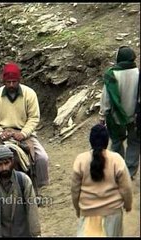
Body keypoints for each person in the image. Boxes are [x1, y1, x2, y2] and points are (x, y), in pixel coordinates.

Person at [0, 62, 49, 191]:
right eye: (8, 82)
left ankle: (39, 187)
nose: (11, 85)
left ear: (19, 80)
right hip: (1, 133)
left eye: (14, 82)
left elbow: (34, 117)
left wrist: (23, 133)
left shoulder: (29, 94)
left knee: (42, 157)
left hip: (24, 133)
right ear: (3, 81)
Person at [71, 124, 133, 237]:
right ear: (107, 141)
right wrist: (128, 205)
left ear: (91, 141)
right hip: (113, 214)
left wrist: (77, 208)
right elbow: (126, 188)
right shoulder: (116, 159)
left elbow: (75, 190)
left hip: (87, 212)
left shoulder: (80, 160)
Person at [0, 145, 41, 237]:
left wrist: (36, 233)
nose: (4, 168)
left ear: (12, 161)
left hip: (20, 233)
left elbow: (32, 210)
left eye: (6, 163)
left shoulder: (23, 180)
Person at [99, 45, 140, 179]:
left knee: (116, 142)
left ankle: (117, 170)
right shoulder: (138, 73)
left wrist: (102, 115)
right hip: (135, 116)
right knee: (134, 142)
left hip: (115, 117)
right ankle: (130, 172)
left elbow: (106, 97)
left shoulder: (112, 74)